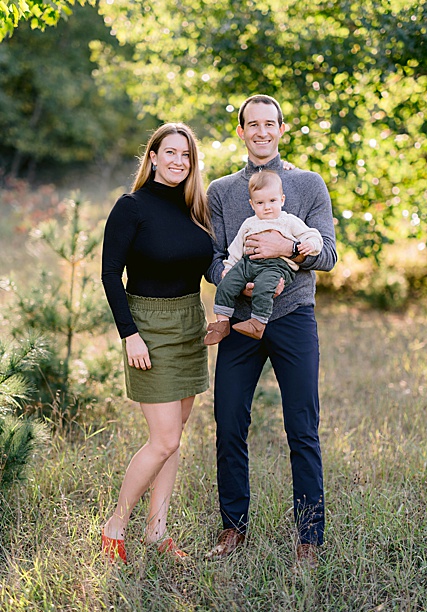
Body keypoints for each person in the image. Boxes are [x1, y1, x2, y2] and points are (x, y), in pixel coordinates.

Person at [204, 94, 337, 564]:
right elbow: (215, 259)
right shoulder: (220, 191)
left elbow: (330, 255)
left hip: (295, 317)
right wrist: (238, 289)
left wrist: (290, 247)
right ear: (240, 132)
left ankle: (309, 536)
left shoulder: (308, 184)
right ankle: (233, 527)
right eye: (252, 125)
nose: (261, 132)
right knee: (230, 423)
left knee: (302, 426)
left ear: (282, 129)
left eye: (269, 124)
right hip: (241, 323)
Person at [100, 123, 213, 562]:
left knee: (175, 436)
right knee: (163, 440)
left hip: (189, 324)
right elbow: (111, 274)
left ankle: (157, 531)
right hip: (148, 325)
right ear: (152, 157)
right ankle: (115, 526)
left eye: (186, 155)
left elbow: (207, 268)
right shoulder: (131, 207)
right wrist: (130, 334)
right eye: (170, 153)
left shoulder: (194, 206)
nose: (178, 162)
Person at [203, 170, 321, 344]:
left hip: (277, 266)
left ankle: (257, 323)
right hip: (248, 263)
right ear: (252, 204)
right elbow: (236, 247)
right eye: (260, 202)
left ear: (282, 199)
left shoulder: (288, 221)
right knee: (227, 283)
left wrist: (310, 244)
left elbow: (313, 235)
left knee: (264, 287)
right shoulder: (249, 223)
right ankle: (222, 323)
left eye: (272, 201)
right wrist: (228, 268)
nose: (267, 207)